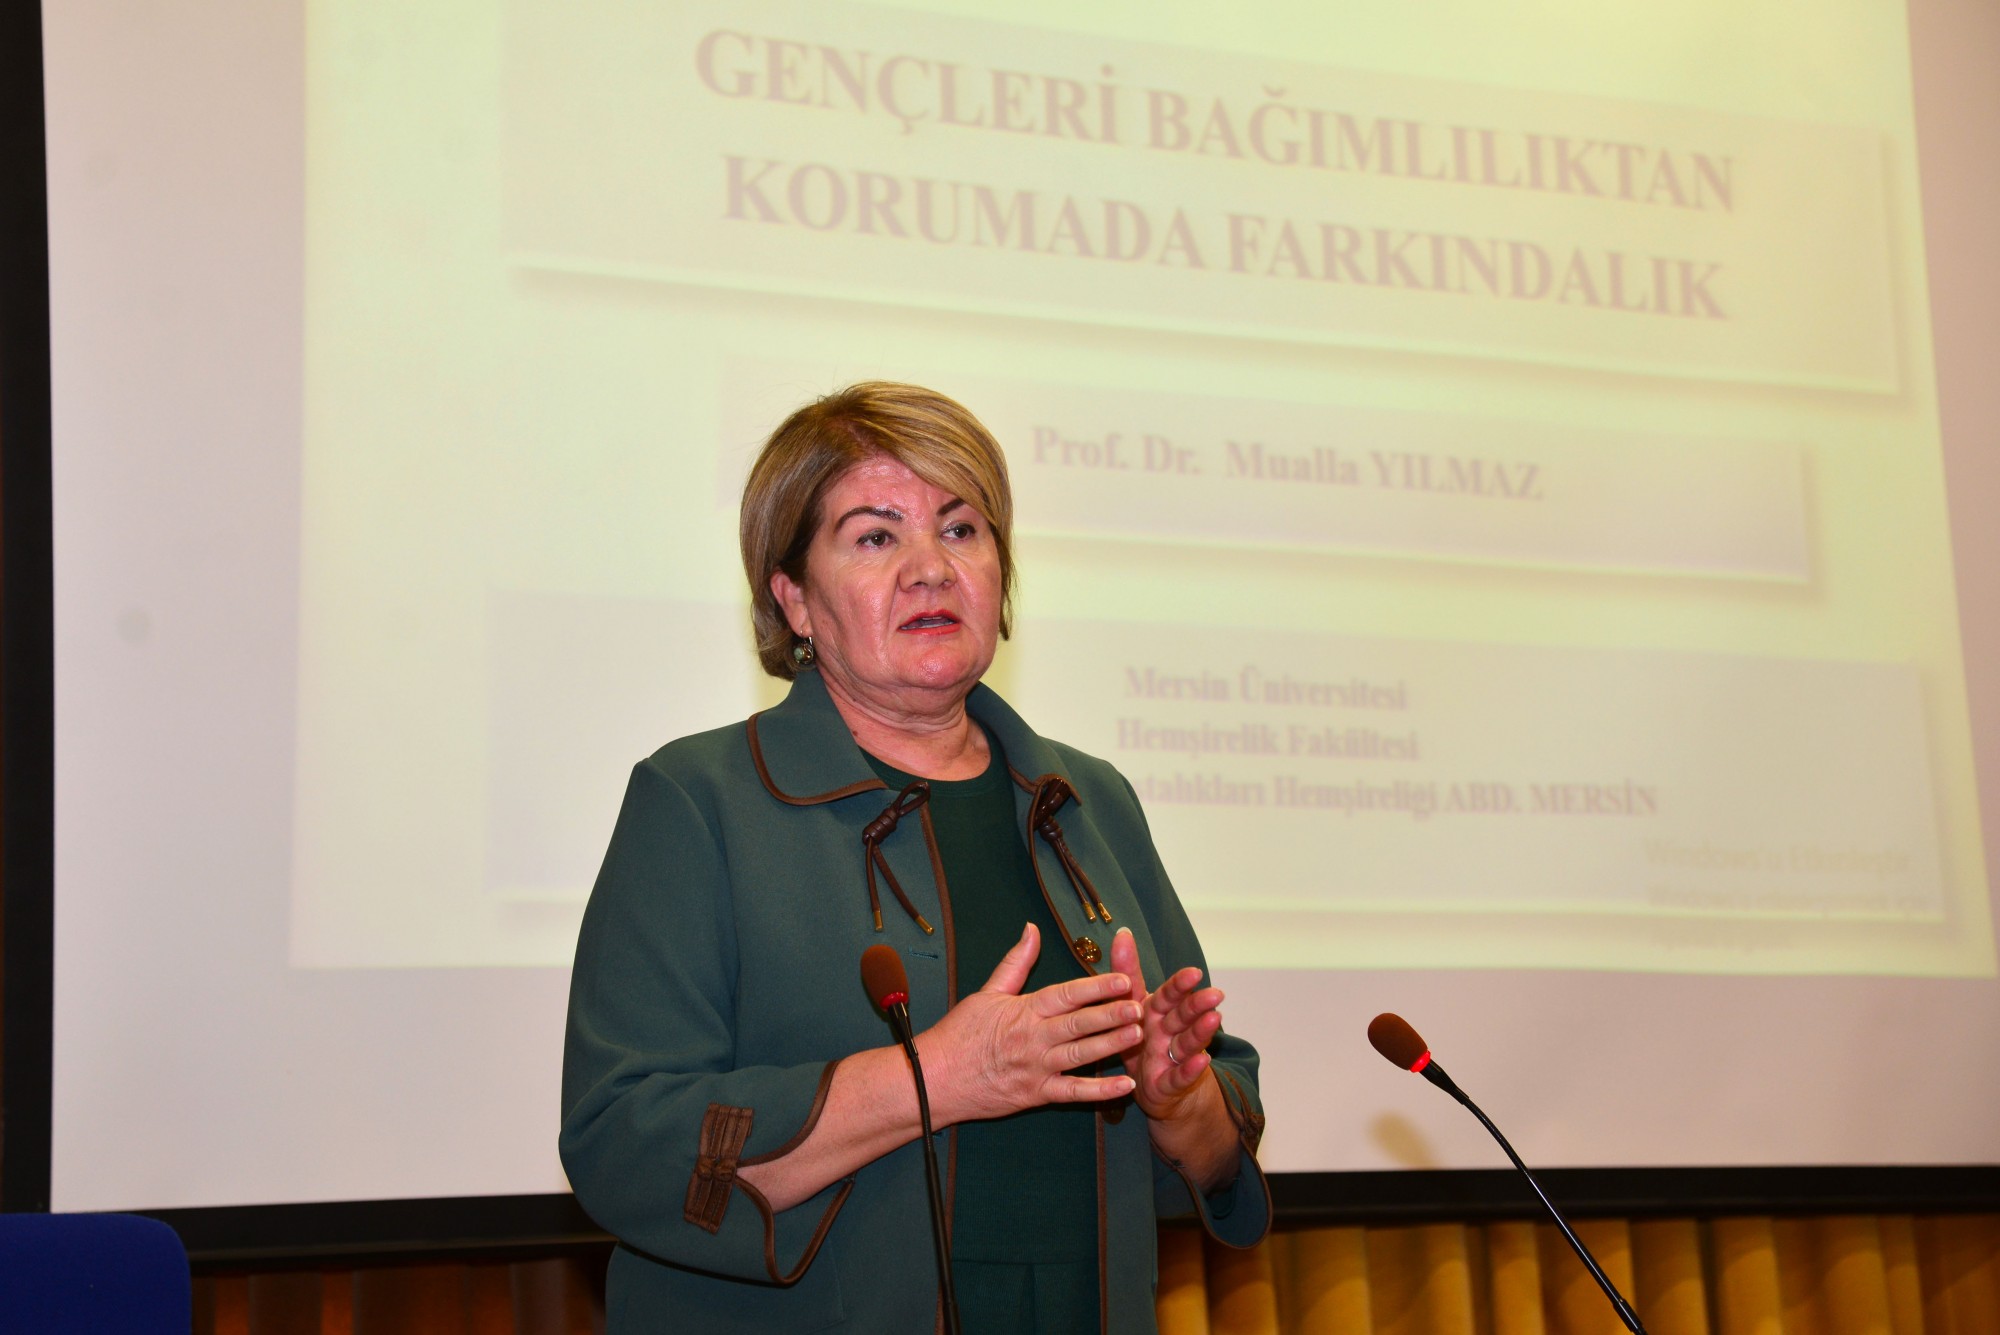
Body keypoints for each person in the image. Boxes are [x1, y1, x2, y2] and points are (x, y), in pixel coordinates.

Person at [560, 382, 1270, 1333]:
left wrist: (1179, 1100)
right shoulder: (701, 800)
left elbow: (1217, 1142)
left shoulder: (1086, 800)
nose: (931, 568)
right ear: (794, 599)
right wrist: (936, 1076)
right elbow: (622, 1141)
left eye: (961, 529)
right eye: (875, 536)